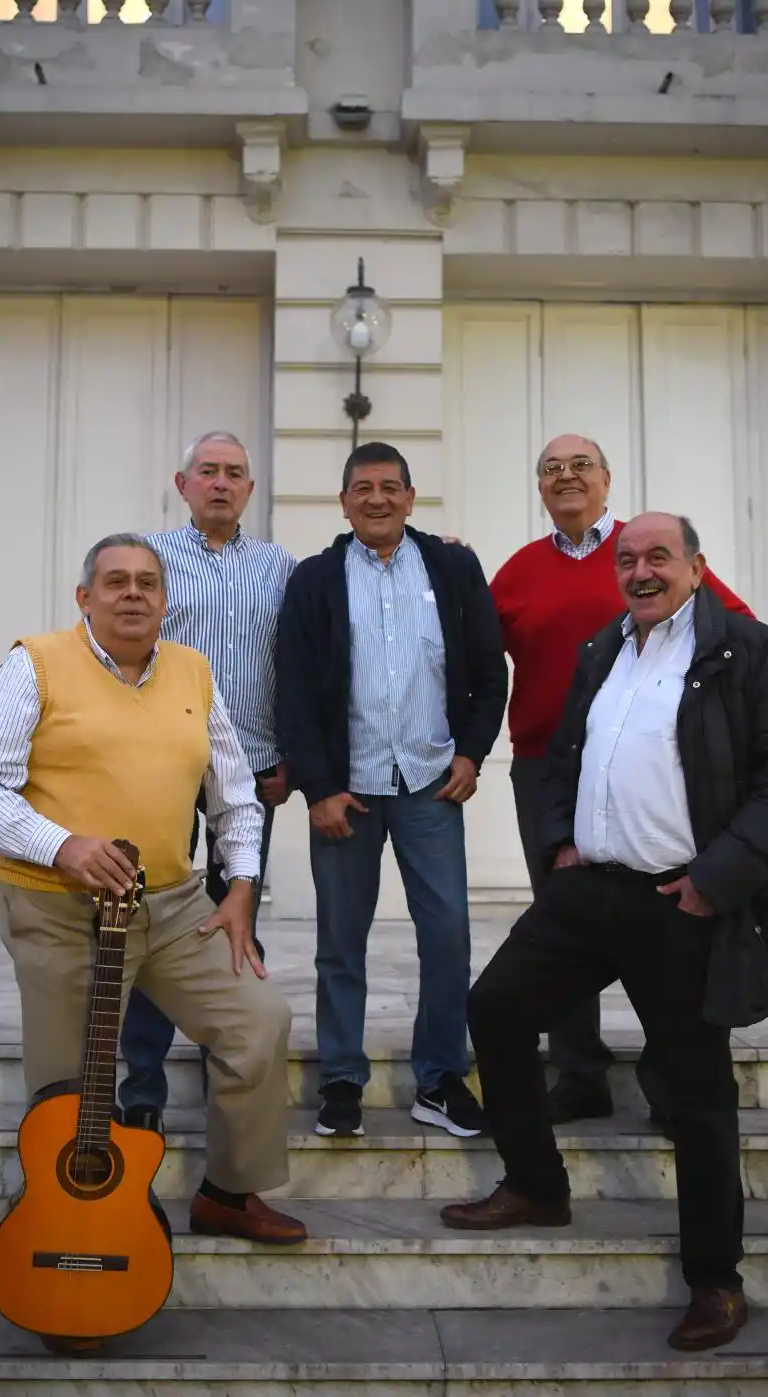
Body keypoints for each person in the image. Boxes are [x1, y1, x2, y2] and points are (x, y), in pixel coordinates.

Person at [442, 513, 768, 1353]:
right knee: (496, 1009)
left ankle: (716, 1280)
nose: (641, 571)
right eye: (628, 559)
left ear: (697, 566)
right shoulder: (602, 650)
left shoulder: (750, 652)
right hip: (590, 889)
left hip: (684, 900)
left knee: (695, 1092)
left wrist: (717, 878)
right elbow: (562, 755)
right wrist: (560, 842)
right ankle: (537, 1185)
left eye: (659, 556)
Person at [0, 533, 305, 1248]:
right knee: (67, 1085)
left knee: (258, 1022)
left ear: (166, 601)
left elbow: (234, 794)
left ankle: (230, 1192)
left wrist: (241, 885)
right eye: (116, 581)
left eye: (147, 582)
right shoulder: (36, 664)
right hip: (55, 905)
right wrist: (63, 844)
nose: (133, 593)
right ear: (85, 597)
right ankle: (60, 1219)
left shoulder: (194, 671)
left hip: (170, 905)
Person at [490, 437, 752, 1128]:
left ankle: (674, 1082)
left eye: (581, 465)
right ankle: (579, 1074)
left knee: (659, 920)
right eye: (552, 468)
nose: (566, 477)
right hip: (549, 769)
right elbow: (476, 653)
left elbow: (736, 629)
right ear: (539, 487)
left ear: (606, 480)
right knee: (565, 921)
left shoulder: (646, 554)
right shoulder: (518, 571)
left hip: (651, 762)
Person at [277, 442, 508, 1140]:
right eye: (362, 488)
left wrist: (471, 752)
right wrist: (318, 787)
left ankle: (439, 1078)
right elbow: (294, 690)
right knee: (340, 942)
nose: (376, 498)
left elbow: (489, 668)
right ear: (343, 502)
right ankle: (341, 1079)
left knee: (448, 936)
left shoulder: (453, 567)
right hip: (346, 794)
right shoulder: (315, 579)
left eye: (389, 486)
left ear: (410, 496)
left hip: (429, 784)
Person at [118, 432, 297, 1130]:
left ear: (249, 489)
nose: (221, 483)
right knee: (148, 918)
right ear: (182, 483)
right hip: (160, 767)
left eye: (234, 474)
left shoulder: (279, 567)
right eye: (208, 472)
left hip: (248, 767)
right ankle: (142, 1090)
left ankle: (234, 1075)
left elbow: (302, 659)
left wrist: (289, 754)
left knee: (233, 918)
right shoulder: (148, 561)